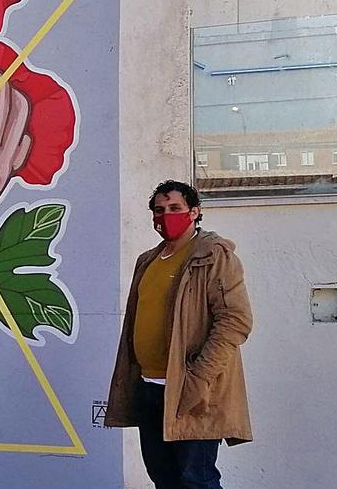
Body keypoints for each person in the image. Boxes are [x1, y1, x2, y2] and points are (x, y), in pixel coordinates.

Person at [106, 180, 253, 489]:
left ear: (194, 212)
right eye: (159, 210)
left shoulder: (213, 255)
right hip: (149, 388)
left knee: (196, 480)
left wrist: (199, 378)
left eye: (175, 208)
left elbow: (235, 321)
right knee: (164, 478)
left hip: (190, 391)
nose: (166, 216)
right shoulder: (147, 260)